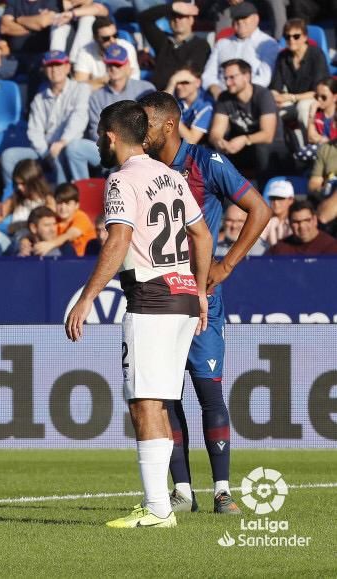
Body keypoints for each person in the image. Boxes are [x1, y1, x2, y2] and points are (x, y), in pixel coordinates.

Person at [66, 99, 213, 529]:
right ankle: (162, 504)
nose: (98, 142)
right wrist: (201, 290)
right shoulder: (171, 176)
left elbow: (118, 241)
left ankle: (156, 509)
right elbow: (201, 235)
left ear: (111, 136)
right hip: (184, 297)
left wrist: (88, 296)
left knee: (143, 403)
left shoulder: (120, 179)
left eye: (99, 135)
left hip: (151, 299)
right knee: (161, 402)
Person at [141, 90, 273, 513]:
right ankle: (182, 491)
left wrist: (227, 265)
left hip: (201, 299)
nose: (137, 131)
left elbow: (259, 209)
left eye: (144, 122)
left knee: (208, 392)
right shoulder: (139, 169)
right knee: (165, 395)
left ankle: (222, 490)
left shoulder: (206, 164)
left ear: (167, 124)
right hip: (158, 297)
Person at [64, 44, 154, 181]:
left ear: (128, 65)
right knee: (74, 148)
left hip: (139, 147)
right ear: (105, 66)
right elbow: (96, 130)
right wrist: (114, 146)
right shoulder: (96, 96)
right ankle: (82, 194)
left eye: (118, 65)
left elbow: (152, 122)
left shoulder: (145, 89)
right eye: (110, 64)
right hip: (108, 147)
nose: (114, 68)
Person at [0, 50, 90, 185]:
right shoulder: (39, 98)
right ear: (45, 69)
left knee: (60, 154)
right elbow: (34, 131)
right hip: (44, 150)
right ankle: (15, 197)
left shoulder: (81, 89)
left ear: (67, 67)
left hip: (67, 146)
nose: (54, 70)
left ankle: (61, 199)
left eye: (58, 65)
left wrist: (62, 143)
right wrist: (46, 153)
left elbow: (78, 120)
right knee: (8, 156)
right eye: (50, 66)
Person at [208, 59, 289, 185]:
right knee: (212, 153)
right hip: (242, 149)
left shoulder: (263, 95)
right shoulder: (224, 98)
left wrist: (245, 139)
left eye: (232, 77)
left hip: (272, 149)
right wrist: (220, 142)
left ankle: (264, 196)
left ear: (246, 76)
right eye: (225, 78)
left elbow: (267, 135)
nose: (228, 83)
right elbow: (215, 132)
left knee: (261, 149)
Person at [201, 2, 279, 100]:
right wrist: (214, 88)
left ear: (256, 19)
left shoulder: (267, 44)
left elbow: (265, 78)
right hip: (219, 96)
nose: (240, 22)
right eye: (237, 18)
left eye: (244, 18)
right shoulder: (222, 43)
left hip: (251, 97)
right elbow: (208, 74)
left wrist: (239, 90)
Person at [0, 158, 55, 255]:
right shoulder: (15, 197)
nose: (19, 187)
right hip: (15, 241)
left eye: (23, 184)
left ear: (33, 181)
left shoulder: (48, 200)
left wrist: (17, 227)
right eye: (17, 184)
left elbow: (47, 224)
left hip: (36, 242)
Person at [269, 19, 329, 130]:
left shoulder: (316, 55)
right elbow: (275, 87)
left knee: (303, 107)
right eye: (287, 37)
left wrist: (292, 97)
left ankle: (312, 145)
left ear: (305, 37)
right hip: (291, 101)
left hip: (313, 100)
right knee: (269, 111)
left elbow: (318, 92)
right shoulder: (283, 57)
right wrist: (275, 98)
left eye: (296, 36)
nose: (291, 40)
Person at [137, 1, 210, 91]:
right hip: (156, 94)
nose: (177, 20)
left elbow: (190, 72)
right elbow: (144, 19)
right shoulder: (163, 41)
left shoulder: (201, 45)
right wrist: (172, 7)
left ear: (191, 20)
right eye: (173, 16)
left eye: (181, 16)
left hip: (180, 96)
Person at [73, 16, 139, 90]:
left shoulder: (127, 48)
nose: (112, 41)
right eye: (106, 38)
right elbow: (79, 88)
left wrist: (98, 82)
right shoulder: (85, 52)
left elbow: (129, 84)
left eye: (115, 35)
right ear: (95, 38)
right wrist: (106, 80)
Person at [267, 200, 337, 255]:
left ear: (315, 220)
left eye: (306, 220)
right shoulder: (280, 249)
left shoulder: (331, 247)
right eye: (296, 222)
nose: (302, 226)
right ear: (290, 223)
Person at [165, 67, 213, 145]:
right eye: (177, 82)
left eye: (184, 82)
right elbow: (160, 108)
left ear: (197, 83)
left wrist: (171, 113)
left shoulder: (206, 105)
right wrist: (172, 82)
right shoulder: (175, 95)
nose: (178, 86)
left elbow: (191, 140)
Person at [260, 179, 293, 246]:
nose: (275, 202)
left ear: (291, 200)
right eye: (272, 198)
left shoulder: (297, 221)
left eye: (280, 198)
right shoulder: (263, 222)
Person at [306, 78, 337, 148]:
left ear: (335, 97)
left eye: (323, 97)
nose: (319, 99)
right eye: (317, 96)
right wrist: (311, 114)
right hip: (322, 150)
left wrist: (323, 140)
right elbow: (311, 138)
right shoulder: (316, 114)